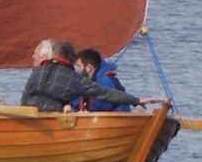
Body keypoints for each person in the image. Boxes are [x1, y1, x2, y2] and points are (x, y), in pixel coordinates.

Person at [21, 38, 162, 113]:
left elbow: (24, 100)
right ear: (69, 60)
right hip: (51, 122)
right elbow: (104, 93)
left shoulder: (37, 72)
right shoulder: (73, 77)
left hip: (29, 119)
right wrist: (136, 100)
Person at [73, 48, 131, 112]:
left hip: (116, 118)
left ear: (89, 68)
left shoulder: (106, 81)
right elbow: (78, 100)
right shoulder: (89, 81)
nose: (76, 69)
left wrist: (84, 110)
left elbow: (103, 106)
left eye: (78, 66)